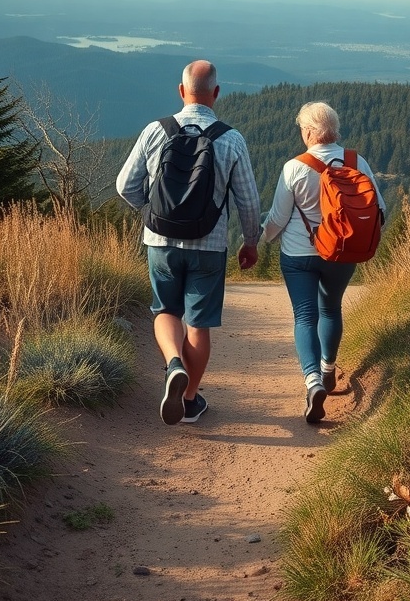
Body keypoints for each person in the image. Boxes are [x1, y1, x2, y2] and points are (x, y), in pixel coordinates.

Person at [116, 60, 261, 426]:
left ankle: (173, 365)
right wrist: (250, 242)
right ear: (216, 93)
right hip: (209, 245)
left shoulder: (155, 131)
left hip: (160, 241)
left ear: (181, 91)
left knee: (166, 310)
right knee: (198, 325)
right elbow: (248, 201)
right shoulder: (231, 139)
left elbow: (125, 186)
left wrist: (151, 213)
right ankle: (191, 400)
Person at [261, 101, 385, 424]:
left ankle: (313, 381)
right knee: (330, 308)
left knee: (305, 315)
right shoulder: (358, 163)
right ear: (334, 129)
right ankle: (329, 369)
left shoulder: (295, 167)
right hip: (343, 253)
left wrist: (261, 240)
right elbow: (379, 211)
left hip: (299, 255)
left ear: (308, 132)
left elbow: (276, 219)